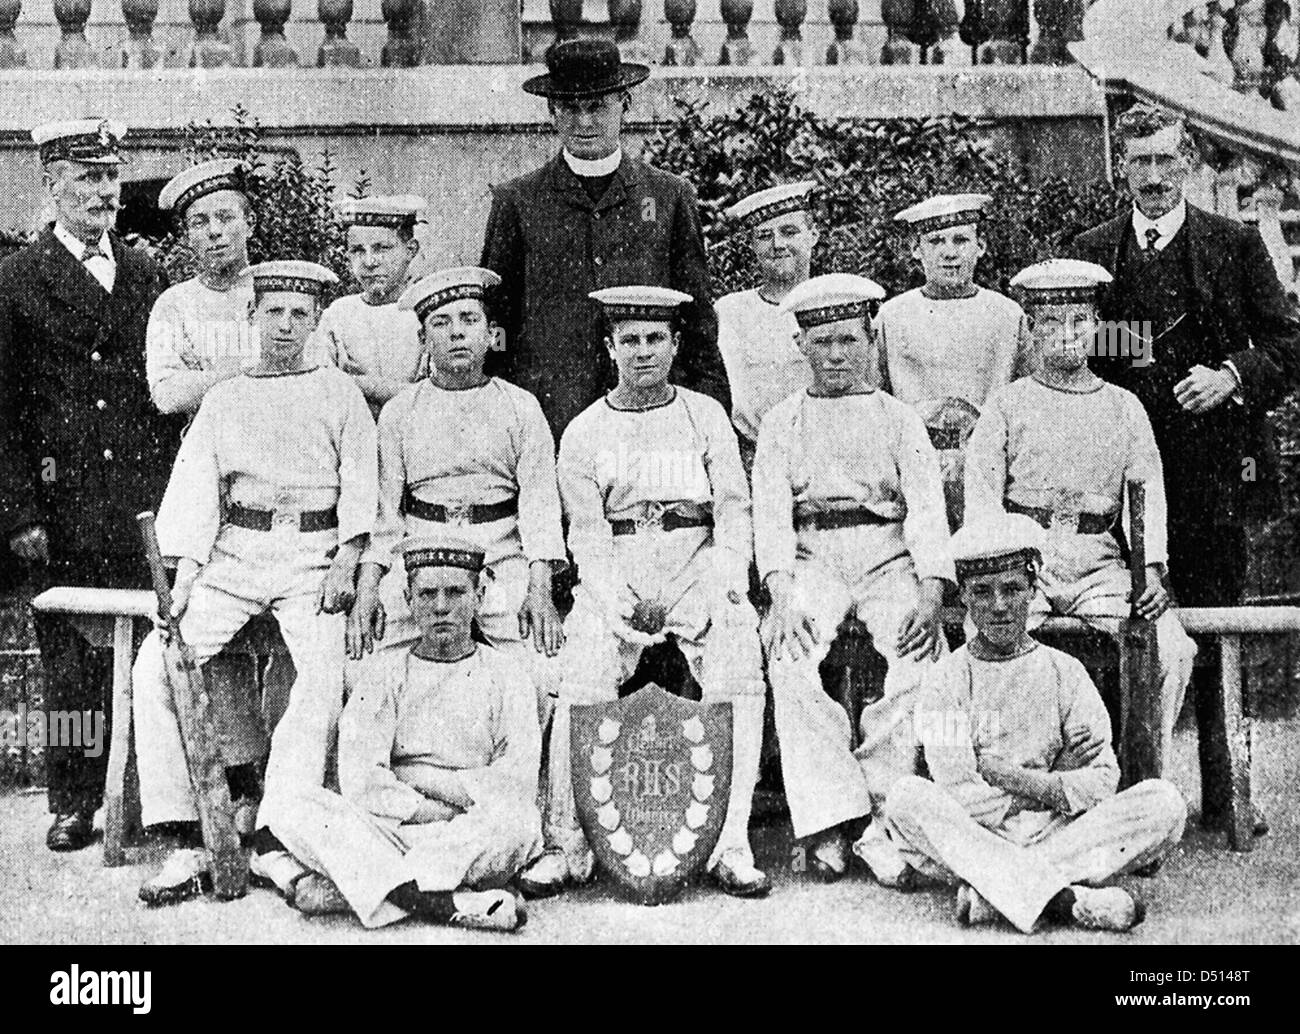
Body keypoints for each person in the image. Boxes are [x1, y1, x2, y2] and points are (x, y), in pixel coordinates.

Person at [133, 260, 378, 905]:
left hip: (313, 557)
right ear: (252, 317)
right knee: (158, 663)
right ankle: (183, 831)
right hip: (234, 556)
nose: (287, 325)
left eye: (301, 313)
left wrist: (348, 561)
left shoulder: (339, 393)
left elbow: (362, 487)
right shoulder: (227, 395)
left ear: (316, 320)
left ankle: (275, 828)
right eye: (274, 311)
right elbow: (196, 491)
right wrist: (185, 575)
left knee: (325, 671)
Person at [520, 286, 767, 899]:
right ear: (610, 348)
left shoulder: (705, 414)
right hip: (620, 571)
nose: (643, 351)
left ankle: (730, 845)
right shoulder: (583, 430)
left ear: (676, 345)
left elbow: (734, 511)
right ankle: (566, 845)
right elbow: (588, 534)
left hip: (698, 564)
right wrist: (617, 599)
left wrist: (725, 580)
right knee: (581, 671)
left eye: (656, 338)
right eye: (629, 340)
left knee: (739, 662)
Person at [0, 117, 176, 851]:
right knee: (68, 655)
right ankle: (73, 798)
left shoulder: (144, 274)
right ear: (51, 185)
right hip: (62, 500)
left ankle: (143, 790)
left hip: (142, 499)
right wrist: (18, 512)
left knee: (146, 651)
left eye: (109, 177)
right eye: (85, 178)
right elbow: (2, 405)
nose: (103, 192)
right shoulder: (14, 281)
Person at [884, 513, 1187, 933]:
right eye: (982, 592)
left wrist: (1014, 779)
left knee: (1164, 803)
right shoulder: (944, 681)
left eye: (1012, 589)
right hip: (980, 831)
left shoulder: (1066, 672)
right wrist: (1057, 781)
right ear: (966, 601)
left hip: (1055, 832)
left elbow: (1103, 779)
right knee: (905, 799)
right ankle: (1065, 899)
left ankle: (996, 891)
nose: (999, 606)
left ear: (1033, 591)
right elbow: (957, 791)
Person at [753, 273, 952, 881]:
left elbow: (925, 507)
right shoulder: (781, 421)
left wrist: (932, 590)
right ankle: (831, 818)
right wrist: (781, 594)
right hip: (813, 558)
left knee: (919, 659)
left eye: (848, 341)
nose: (836, 355)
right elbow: (770, 514)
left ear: (869, 340)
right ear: (801, 347)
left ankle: (882, 815)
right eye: (822, 343)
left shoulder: (899, 418)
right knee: (788, 657)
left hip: (888, 556)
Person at [965, 259, 1196, 779]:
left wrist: (1152, 569)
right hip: (1023, 563)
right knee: (985, 648)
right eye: (1050, 323)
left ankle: (1142, 781)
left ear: (1098, 327)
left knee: (1171, 648)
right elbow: (982, 501)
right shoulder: (1006, 405)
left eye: (1079, 322)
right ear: (1030, 329)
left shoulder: (1124, 406)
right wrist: (999, 570)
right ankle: (1001, 782)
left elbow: (1148, 492)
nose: (1066, 336)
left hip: (1098, 565)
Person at [1066, 104, 1300, 608]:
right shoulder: (1090, 250)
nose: (1154, 178)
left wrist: (1230, 377)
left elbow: (1289, 346)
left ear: (1189, 163)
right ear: (1119, 168)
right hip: (1119, 472)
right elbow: (1075, 348)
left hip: (1214, 474)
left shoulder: (1235, 244)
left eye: (1166, 161)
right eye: (1141, 162)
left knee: (1213, 618)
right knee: (1121, 619)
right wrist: (1139, 344)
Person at [265, 534, 541, 933]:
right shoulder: (383, 674)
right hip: (391, 827)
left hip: (467, 830)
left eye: (455, 592)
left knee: (519, 822)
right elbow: (361, 779)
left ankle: (354, 891)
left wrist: (419, 779)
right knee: (293, 803)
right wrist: (429, 808)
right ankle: (448, 901)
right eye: (427, 594)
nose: (441, 607)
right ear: (409, 600)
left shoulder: (508, 675)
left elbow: (516, 779)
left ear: (479, 595)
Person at [480, 37, 728, 438]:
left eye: (597, 107)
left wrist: (711, 414)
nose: (584, 123)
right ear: (552, 112)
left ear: (624, 104)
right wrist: (501, 408)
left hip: (652, 413)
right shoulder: (518, 201)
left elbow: (697, 319)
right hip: (550, 414)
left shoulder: (666, 196)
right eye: (570, 109)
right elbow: (498, 321)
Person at [348, 266, 566, 722]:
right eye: (441, 324)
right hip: (421, 551)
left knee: (546, 671)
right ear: (424, 340)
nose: (457, 334)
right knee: (362, 664)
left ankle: (519, 769)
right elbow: (386, 516)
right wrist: (369, 588)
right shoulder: (400, 411)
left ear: (490, 334)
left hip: (500, 553)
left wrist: (539, 588)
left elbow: (540, 508)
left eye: (469, 320)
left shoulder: (520, 406)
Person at [876, 194, 1032, 528]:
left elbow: (1027, 399)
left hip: (989, 462)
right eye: (935, 241)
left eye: (961, 240)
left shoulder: (1006, 314)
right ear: (916, 249)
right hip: (916, 463)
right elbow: (877, 398)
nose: (949, 252)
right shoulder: (892, 316)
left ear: (981, 245)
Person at [714, 181, 818, 472]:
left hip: (826, 453)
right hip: (752, 457)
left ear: (813, 236)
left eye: (789, 232)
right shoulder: (729, 312)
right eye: (764, 236)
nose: (778, 244)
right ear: (752, 245)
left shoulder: (833, 300)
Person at [147, 158, 257, 418]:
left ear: (250, 224)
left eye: (225, 217)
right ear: (186, 236)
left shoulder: (276, 294)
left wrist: (201, 380)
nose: (214, 231)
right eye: (199, 222)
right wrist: (247, 370)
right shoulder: (174, 304)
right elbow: (167, 395)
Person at [315, 195, 427, 419]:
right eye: (357, 250)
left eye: (382, 248)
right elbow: (321, 389)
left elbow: (431, 400)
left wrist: (360, 383)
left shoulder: (427, 312)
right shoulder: (339, 314)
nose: (369, 261)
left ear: (410, 250)